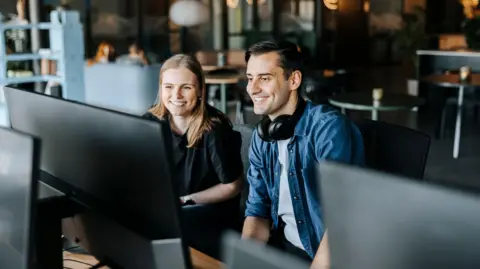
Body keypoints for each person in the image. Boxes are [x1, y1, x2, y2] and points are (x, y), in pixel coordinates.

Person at [241, 40, 365, 268]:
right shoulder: (262, 136)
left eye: (265, 78)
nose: (252, 88)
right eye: (250, 78)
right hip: (287, 249)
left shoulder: (328, 129)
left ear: (294, 80)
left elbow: (341, 219)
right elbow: (258, 212)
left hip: (330, 257)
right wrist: (242, 263)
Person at [143, 54, 243, 205]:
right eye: (169, 87)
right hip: (163, 206)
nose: (176, 95)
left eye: (186, 87)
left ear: (200, 90)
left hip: (202, 211)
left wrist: (185, 201)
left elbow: (233, 186)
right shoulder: (149, 122)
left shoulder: (214, 130)